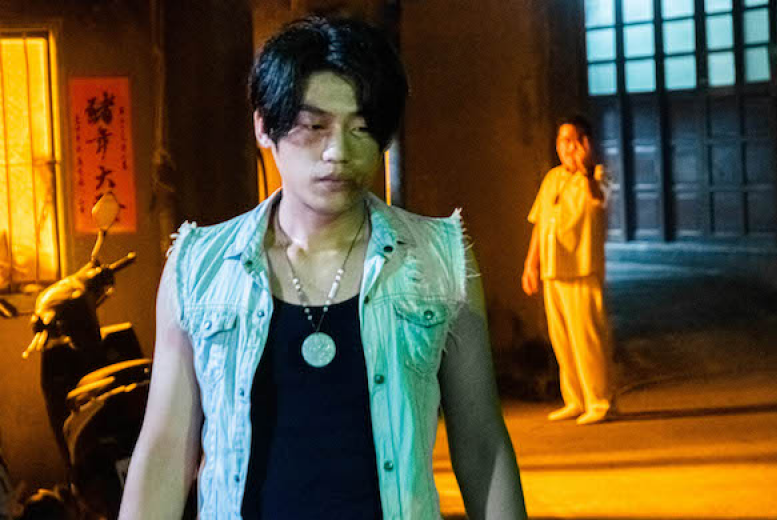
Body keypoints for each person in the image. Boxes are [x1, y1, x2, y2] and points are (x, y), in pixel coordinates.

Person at [119, 16, 526, 520]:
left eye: (362, 128)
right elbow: (164, 448)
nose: (338, 152)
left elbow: (482, 444)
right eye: (314, 127)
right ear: (263, 126)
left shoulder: (439, 258)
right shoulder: (200, 267)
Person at [521, 115, 614, 426]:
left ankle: (599, 401)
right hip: (553, 269)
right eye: (562, 141)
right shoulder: (552, 178)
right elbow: (539, 223)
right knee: (562, 340)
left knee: (588, 338)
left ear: (586, 144)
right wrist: (531, 264)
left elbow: (598, 200)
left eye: (573, 141)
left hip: (582, 268)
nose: (566, 147)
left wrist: (585, 171)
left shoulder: (599, 175)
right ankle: (575, 399)